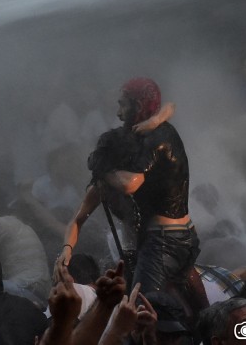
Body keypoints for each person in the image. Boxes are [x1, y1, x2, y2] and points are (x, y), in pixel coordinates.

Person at [59, 77, 200, 298]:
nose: (118, 113)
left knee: (141, 304)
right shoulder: (109, 178)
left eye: (122, 104)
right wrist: (66, 249)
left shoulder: (156, 140)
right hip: (164, 241)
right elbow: (78, 218)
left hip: (164, 241)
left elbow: (129, 184)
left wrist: (103, 169)